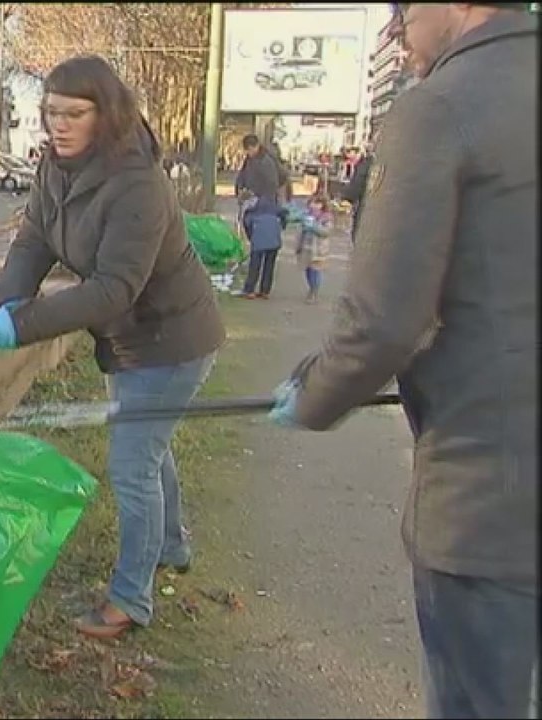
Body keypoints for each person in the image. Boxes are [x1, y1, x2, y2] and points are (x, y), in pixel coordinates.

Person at [269, 4, 537, 718]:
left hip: (492, 499)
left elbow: (385, 320)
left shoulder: (440, 109)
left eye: (402, 14)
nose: (395, 33)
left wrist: (313, 395)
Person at [0, 55, 226, 639]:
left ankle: (131, 600)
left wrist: (26, 326)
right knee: (149, 448)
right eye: (51, 112)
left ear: (105, 113)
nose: (58, 125)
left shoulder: (138, 184)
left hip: (172, 338)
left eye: (74, 113)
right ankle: (172, 546)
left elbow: (114, 289)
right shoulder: (55, 167)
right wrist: (7, 301)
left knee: (132, 462)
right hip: (127, 341)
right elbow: (35, 238)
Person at [292, 195, 331, 303]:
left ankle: (314, 292)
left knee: (315, 271)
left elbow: (326, 232)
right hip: (306, 249)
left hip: (318, 250)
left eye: (318, 203)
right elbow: (299, 230)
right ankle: (311, 288)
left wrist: (313, 227)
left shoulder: (326, 218)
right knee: (308, 271)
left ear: (323, 205)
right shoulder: (306, 215)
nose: (314, 206)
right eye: (312, 203)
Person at [339, 142, 374, 245]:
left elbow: (357, 185)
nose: (349, 159)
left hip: (365, 206)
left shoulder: (363, 166)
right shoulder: (365, 164)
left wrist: (346, 197)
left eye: (349, 154)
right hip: (364, 204)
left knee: (359, 234)